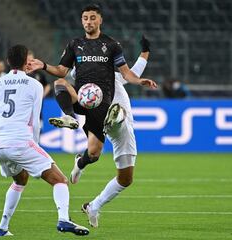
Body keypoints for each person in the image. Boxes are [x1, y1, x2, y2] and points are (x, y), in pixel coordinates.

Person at [0, 45, 89, 236]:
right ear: (27, 62)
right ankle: (64, 220)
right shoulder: (34, 85)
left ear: (8, 62)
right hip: (21, 142)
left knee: (20, 179)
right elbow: (35, 121)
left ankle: (2, 227)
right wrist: (35, 144)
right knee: (60, 180)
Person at [27, 4, 157, 186]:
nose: (89, 21)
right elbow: (61, 71)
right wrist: (44, 65)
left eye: (92, 18)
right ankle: (69, 117)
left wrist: (140, 80)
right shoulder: (75, 44)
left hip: (102, 105)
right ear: (81, 21)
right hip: (82, 99)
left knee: (94, 153)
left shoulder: (112, 45)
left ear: (100, 20)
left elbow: (127, 73)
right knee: (60, 84)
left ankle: (80, 163)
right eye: (85, 18)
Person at [70, 35, 151, 227]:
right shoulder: (84, 86)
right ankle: (113, 118)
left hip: (125, 129)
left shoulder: (114, 77)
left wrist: (146, 51)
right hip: (109, 123)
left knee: (126, 179)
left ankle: (93, 206)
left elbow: (135, 72)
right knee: (114, 119)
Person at [26, 50, 51, 129]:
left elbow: (48, 86)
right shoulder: (22, 74)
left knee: (37, 133)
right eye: (28, 60)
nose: (30, 62)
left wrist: (42, 95)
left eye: (32, 60)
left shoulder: (39, 74)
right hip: (24, 112)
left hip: (37, 111)